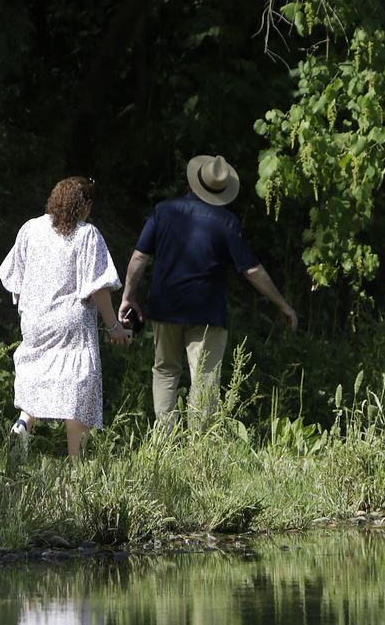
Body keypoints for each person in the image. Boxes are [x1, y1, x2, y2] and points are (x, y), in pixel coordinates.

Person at [118, 154, 297, 430]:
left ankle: (165, 440)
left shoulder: (163, 211)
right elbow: (251, 270)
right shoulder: (226, 222)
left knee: (165, 371)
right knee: (204, 378)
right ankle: (197, 447)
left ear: (194, 181)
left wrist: (129, 297)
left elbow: (140, 258)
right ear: (222, 191)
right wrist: (282, 304)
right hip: (207, 312)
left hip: (165, 307)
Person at [0, 176, 132, 463]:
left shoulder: (30, 229)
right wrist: (113, 326)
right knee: (77, 387)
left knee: (38, 374)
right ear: (85, 206)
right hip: (71, 324)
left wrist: (29, 310)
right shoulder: (87, 235)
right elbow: (98, 287)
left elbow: (13, 277)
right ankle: (76, 464)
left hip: (34, 319)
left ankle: (23, 424)